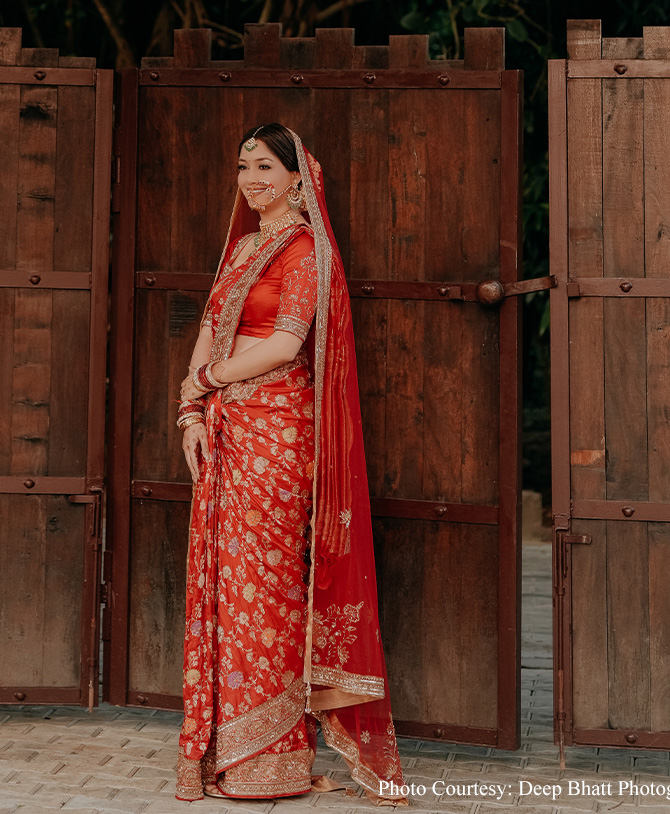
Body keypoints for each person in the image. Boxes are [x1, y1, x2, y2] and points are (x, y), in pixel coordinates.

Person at [174, 123, 407, 806]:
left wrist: (207, 382)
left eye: (267, 168)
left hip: (276, 435)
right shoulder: (244, 245)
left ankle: (273, 755)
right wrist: (190, 412)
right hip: (224, 426)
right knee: (225, 588)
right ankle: (227, 749)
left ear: (299, 179)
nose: (252, 181)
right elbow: (209, 326)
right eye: (244, 166)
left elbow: (284, 344)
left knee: (267, 589)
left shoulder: (305, 250)